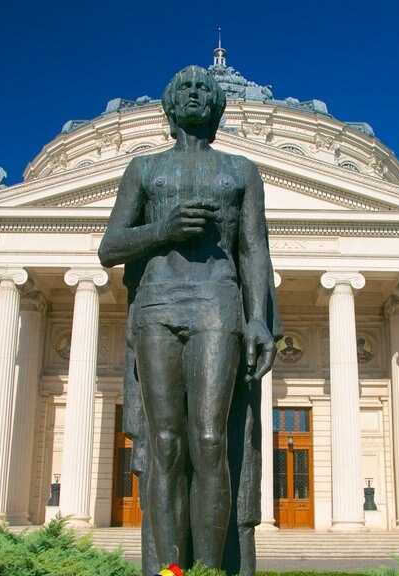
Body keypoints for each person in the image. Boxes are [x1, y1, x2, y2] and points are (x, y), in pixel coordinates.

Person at [99, 65, 278, 573]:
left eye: (206, 89)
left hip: (218, 304)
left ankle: (208, 569)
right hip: (157, 305)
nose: (196, 94)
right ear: (171, 107)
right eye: (186, 89)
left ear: (217, 106)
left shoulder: (241, 171)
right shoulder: (144, 169)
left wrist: (260, 320)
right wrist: (165, 229)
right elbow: (110, 247)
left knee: (210, 438)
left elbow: (254, 250)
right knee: (165, 442)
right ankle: (169, 571)